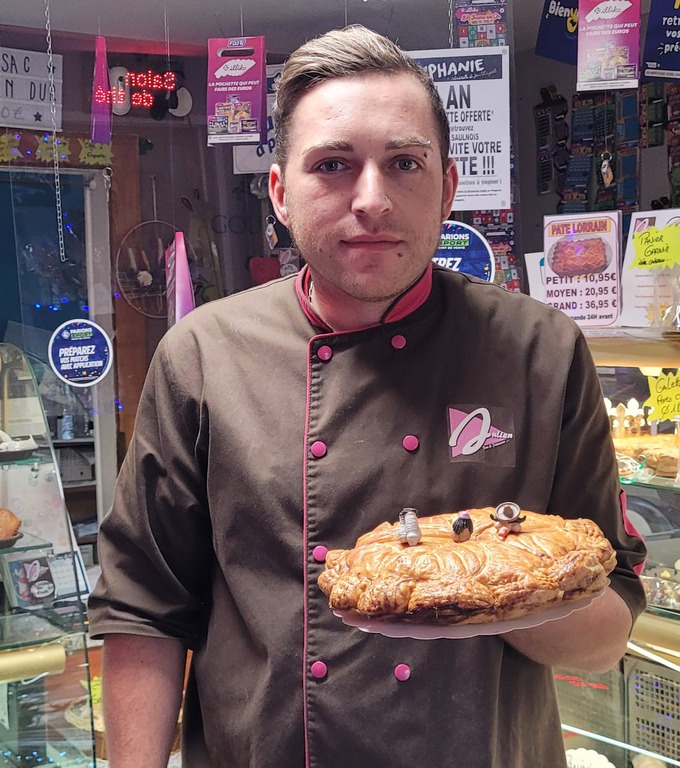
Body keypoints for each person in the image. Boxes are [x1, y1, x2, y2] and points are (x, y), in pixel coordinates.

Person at [87, 25, 646, 768]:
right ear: (281, 193)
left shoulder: (539, 349)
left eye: (405, 163)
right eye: (333, 165)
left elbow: (607, 636)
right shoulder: (203, 355)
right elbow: (144, 613)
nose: (372, 199)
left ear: (447, 186)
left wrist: (483, 586)